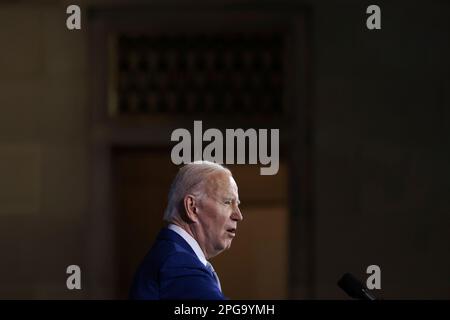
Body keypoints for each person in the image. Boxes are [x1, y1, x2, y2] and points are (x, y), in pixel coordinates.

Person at [130, 161, 243, 300]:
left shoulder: (171, 255)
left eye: (237, 204)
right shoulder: (178, 263)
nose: (238, 216)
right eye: (227, 202)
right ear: (192, 207)